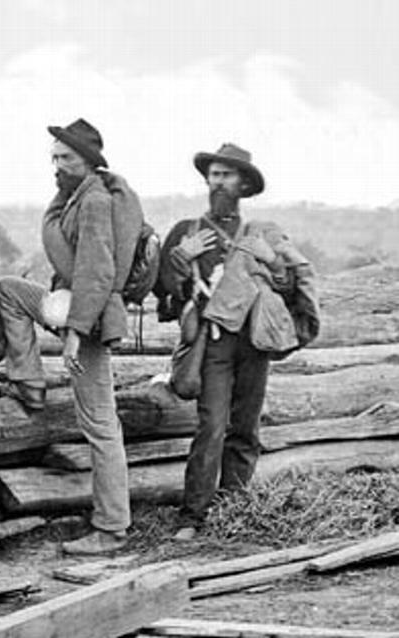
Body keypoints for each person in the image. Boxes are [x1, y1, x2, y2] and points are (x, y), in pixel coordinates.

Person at [154, 143, 320, 541]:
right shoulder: (187, 232)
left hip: (254, 340)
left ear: (244, 184)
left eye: (227, 175)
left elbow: (287, 286)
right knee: (211, 425)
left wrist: (273, 261)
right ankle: (193, 516)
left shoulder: (263, 233)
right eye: (214, 174)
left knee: (245, 426)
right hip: (212, 343)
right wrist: (179, 258)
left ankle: (235, 508)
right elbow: (164, 293)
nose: (219, 182)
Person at [0, 119, 137, 555]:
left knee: (100, 424)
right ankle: (29, 382)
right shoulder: (74, 194)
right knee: (9, 290)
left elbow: (98, 269)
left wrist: (74, 335)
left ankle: (111, 528)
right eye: (53, 157)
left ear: (89, 161)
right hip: (72, 303)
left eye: (65, 158)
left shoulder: (94, 200)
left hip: (89, 318)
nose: (56, 165)